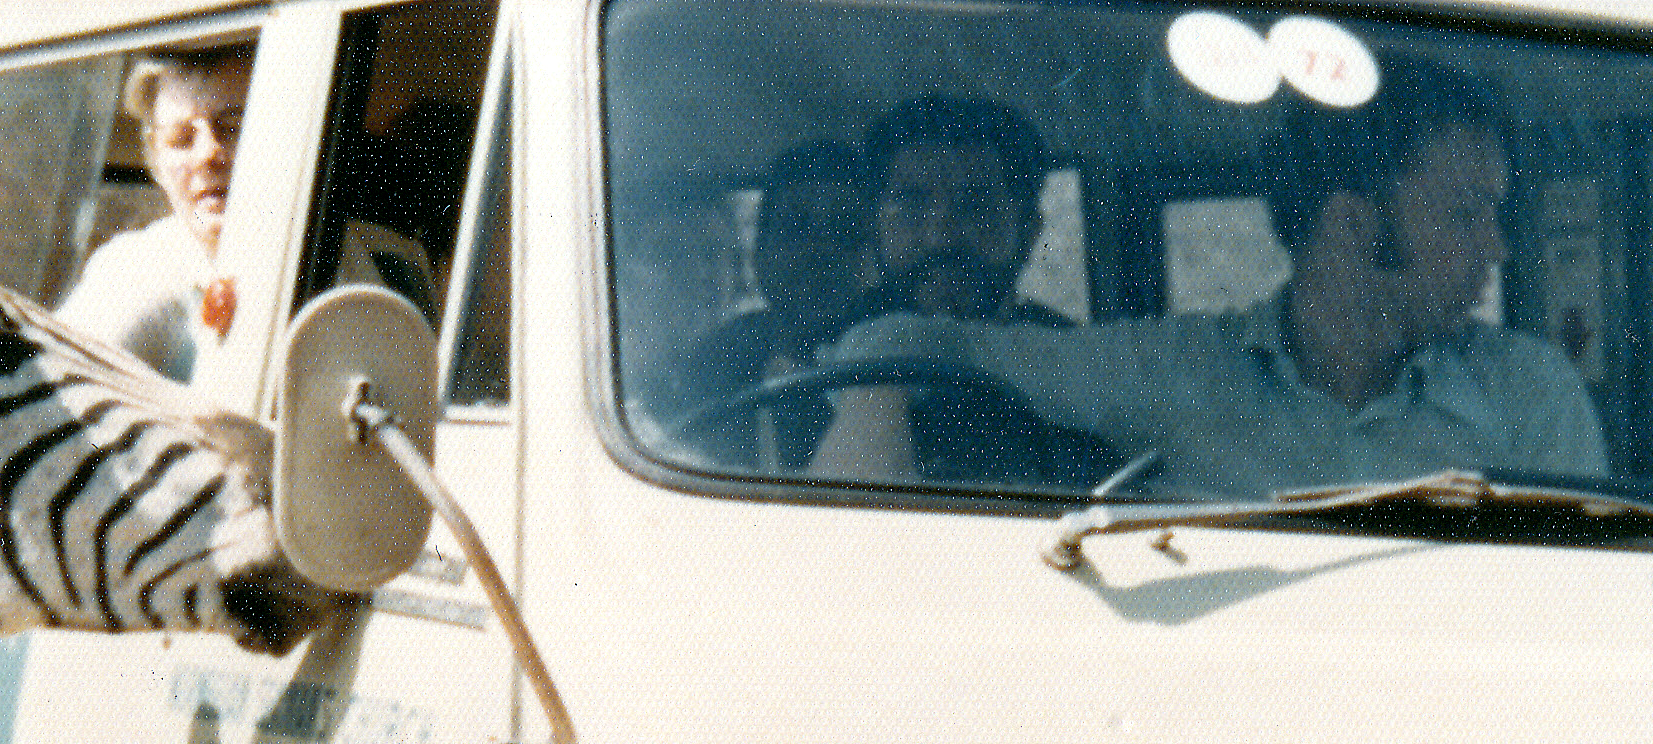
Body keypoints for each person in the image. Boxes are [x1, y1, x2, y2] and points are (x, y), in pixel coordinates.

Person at [816, 59, 1603, 496]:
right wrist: (872, 407)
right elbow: (905, 339)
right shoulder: (1174, 370)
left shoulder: (1530, 395)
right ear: (1354, 224)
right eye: (1465, 214)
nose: (1495, 249)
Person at [649, 139, 873, 465]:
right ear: (759, 254)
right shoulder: (717, 361)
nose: (819, 251)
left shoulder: (903, 359)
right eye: (796, 229)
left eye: (843, 232)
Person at [60, 46, 250, 381]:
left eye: (232, 127)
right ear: (157, 163)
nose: (208, 154)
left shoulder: (337, 249)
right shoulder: (134, 268)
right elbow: (58, 396)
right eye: (181, 140)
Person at [849, 94, 1073, 329]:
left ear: (1028, 231)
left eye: (976, 209)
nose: (941, 239)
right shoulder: (824, 355)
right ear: (873, 226)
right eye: (912, 208)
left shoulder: (1072, 353)